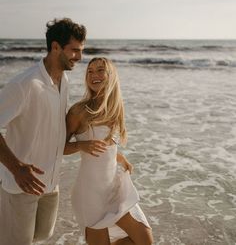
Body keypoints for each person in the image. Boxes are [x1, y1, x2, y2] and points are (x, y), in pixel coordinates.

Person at [0, 18, 107, 245]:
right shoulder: (26, 84)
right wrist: (17, 168)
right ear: (56, 46)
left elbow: (55, 131)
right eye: (74, 50)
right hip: (21, 186)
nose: (79, 57)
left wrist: (80, 145)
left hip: (50, 184)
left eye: (81, 50)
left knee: (41, 236)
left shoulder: (64, 81)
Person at [64, 57, 154, 245]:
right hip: (91, 193)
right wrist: (82, 146)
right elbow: (57, 148)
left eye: (99, 70)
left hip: (114, 187)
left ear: (110, 75)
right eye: (90, 71)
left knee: (144, 240)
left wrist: (120, 158)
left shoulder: (115, 108)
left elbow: (107, 148)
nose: (94, 75)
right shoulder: (79, 111)